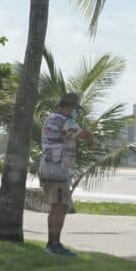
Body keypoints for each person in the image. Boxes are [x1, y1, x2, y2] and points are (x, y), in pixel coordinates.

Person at [39, 93, 95, 256]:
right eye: (74, 109)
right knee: (59, 207)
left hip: (52, 169)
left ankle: (54, 243)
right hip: (57, 171)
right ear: (68, 107)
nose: (74, 112)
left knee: (59, 207)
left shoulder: (52, 119)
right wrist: (92, 138)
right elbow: (83, 134)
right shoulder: (61, 120)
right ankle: (53, 244)